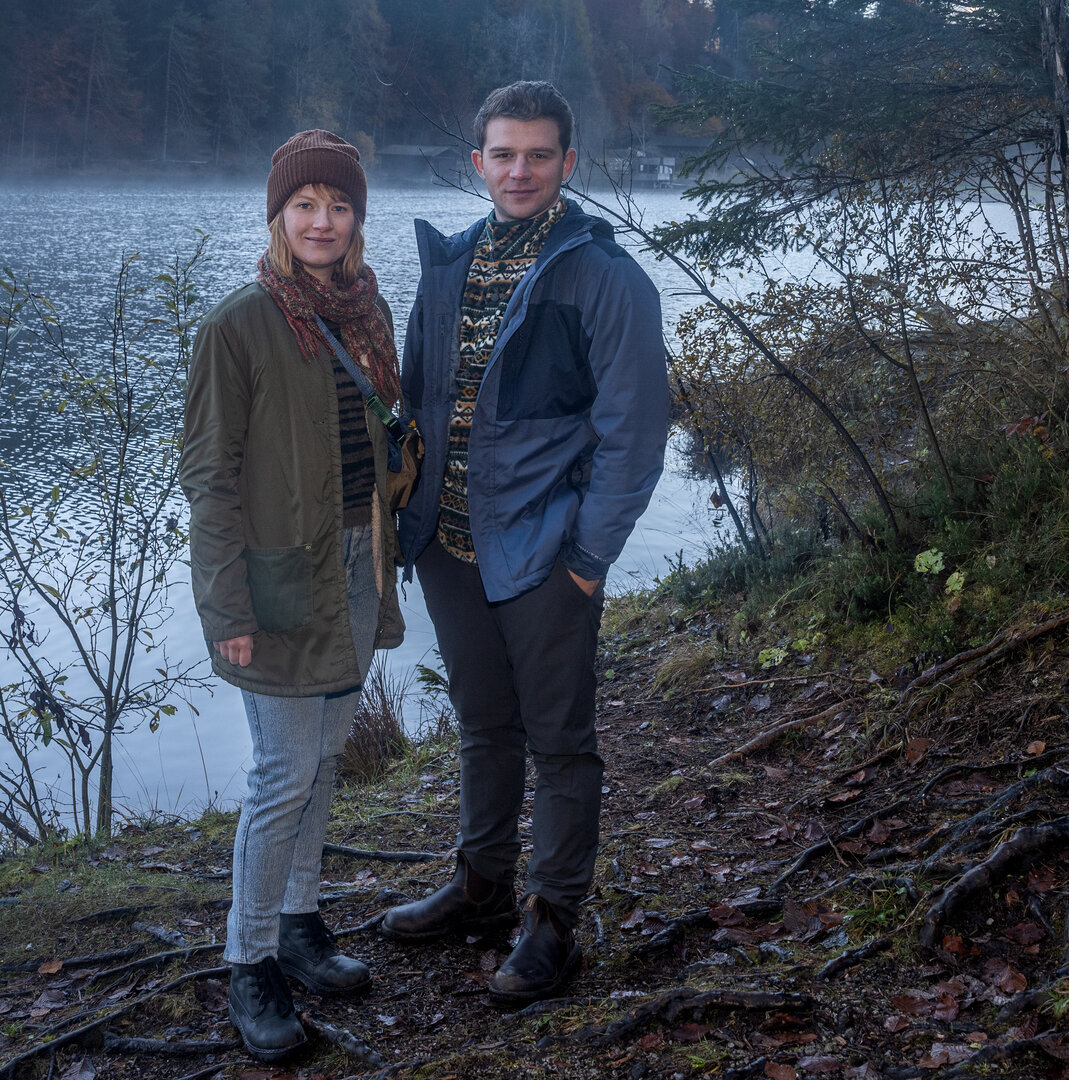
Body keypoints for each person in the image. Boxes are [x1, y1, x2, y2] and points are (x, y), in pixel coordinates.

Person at [379, 81, 671, 1005]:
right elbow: (418, 401)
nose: (519, 170)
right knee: (482, 725)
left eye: (538, 154)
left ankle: (552, 923)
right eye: (502, 154)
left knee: (561, 741)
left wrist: (587, 558)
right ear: (479, 163)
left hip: (545, 553)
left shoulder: (604, 277)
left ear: (566, 165)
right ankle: (480, 885)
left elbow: (635, 433)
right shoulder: (449, 264)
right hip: (448, 546)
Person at [180, 129, 406, 1061]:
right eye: (305, 204)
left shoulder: (366, 309)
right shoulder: (238, 325)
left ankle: (302, 921)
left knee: (325, 760)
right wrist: (225, 609)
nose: (322, 221)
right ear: (278, 214)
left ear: (356, 217)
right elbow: (209, 478)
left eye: (339, 205)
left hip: (360, 562)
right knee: (282, 773)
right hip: (279, 579)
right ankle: (249, 961)